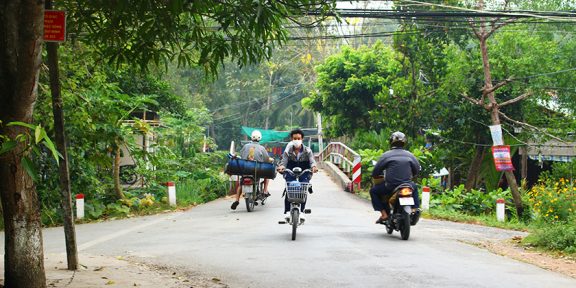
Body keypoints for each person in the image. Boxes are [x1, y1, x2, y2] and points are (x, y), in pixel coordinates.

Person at [370, 131, 421, 224]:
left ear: (391, 142)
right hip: (407, 185)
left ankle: (384, 214)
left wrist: (376, 174)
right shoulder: (410, 155)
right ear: (404, 142)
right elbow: (417, 170)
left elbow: (376, 171)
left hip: (390, 186)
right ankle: (414, 209)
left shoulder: (386, 155)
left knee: (373, 191)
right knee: (415, 188)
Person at [277, 128, 318, 214]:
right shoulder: (287, 150)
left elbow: (312, 160)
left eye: (299, 138)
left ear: (302, 139)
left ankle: (302, 211)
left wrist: (314, 167)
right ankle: (287, 211)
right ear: (291, 139)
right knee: (289, 187)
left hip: (305, 169)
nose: (297, 140)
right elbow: (284, 161)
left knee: (304, 187)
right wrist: (281, 167)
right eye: (295, 138)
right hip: (290, 169)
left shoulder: (307, 150)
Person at [230, 130, 273, 210]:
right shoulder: (262, 148)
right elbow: (266, 159)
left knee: (241, 184)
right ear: (260, 138)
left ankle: (236, 200)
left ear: (251, 137)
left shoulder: (246, 146)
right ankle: (265, 190)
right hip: (257, 170)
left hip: (245, 169)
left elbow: (242, 156)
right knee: (266, 175)